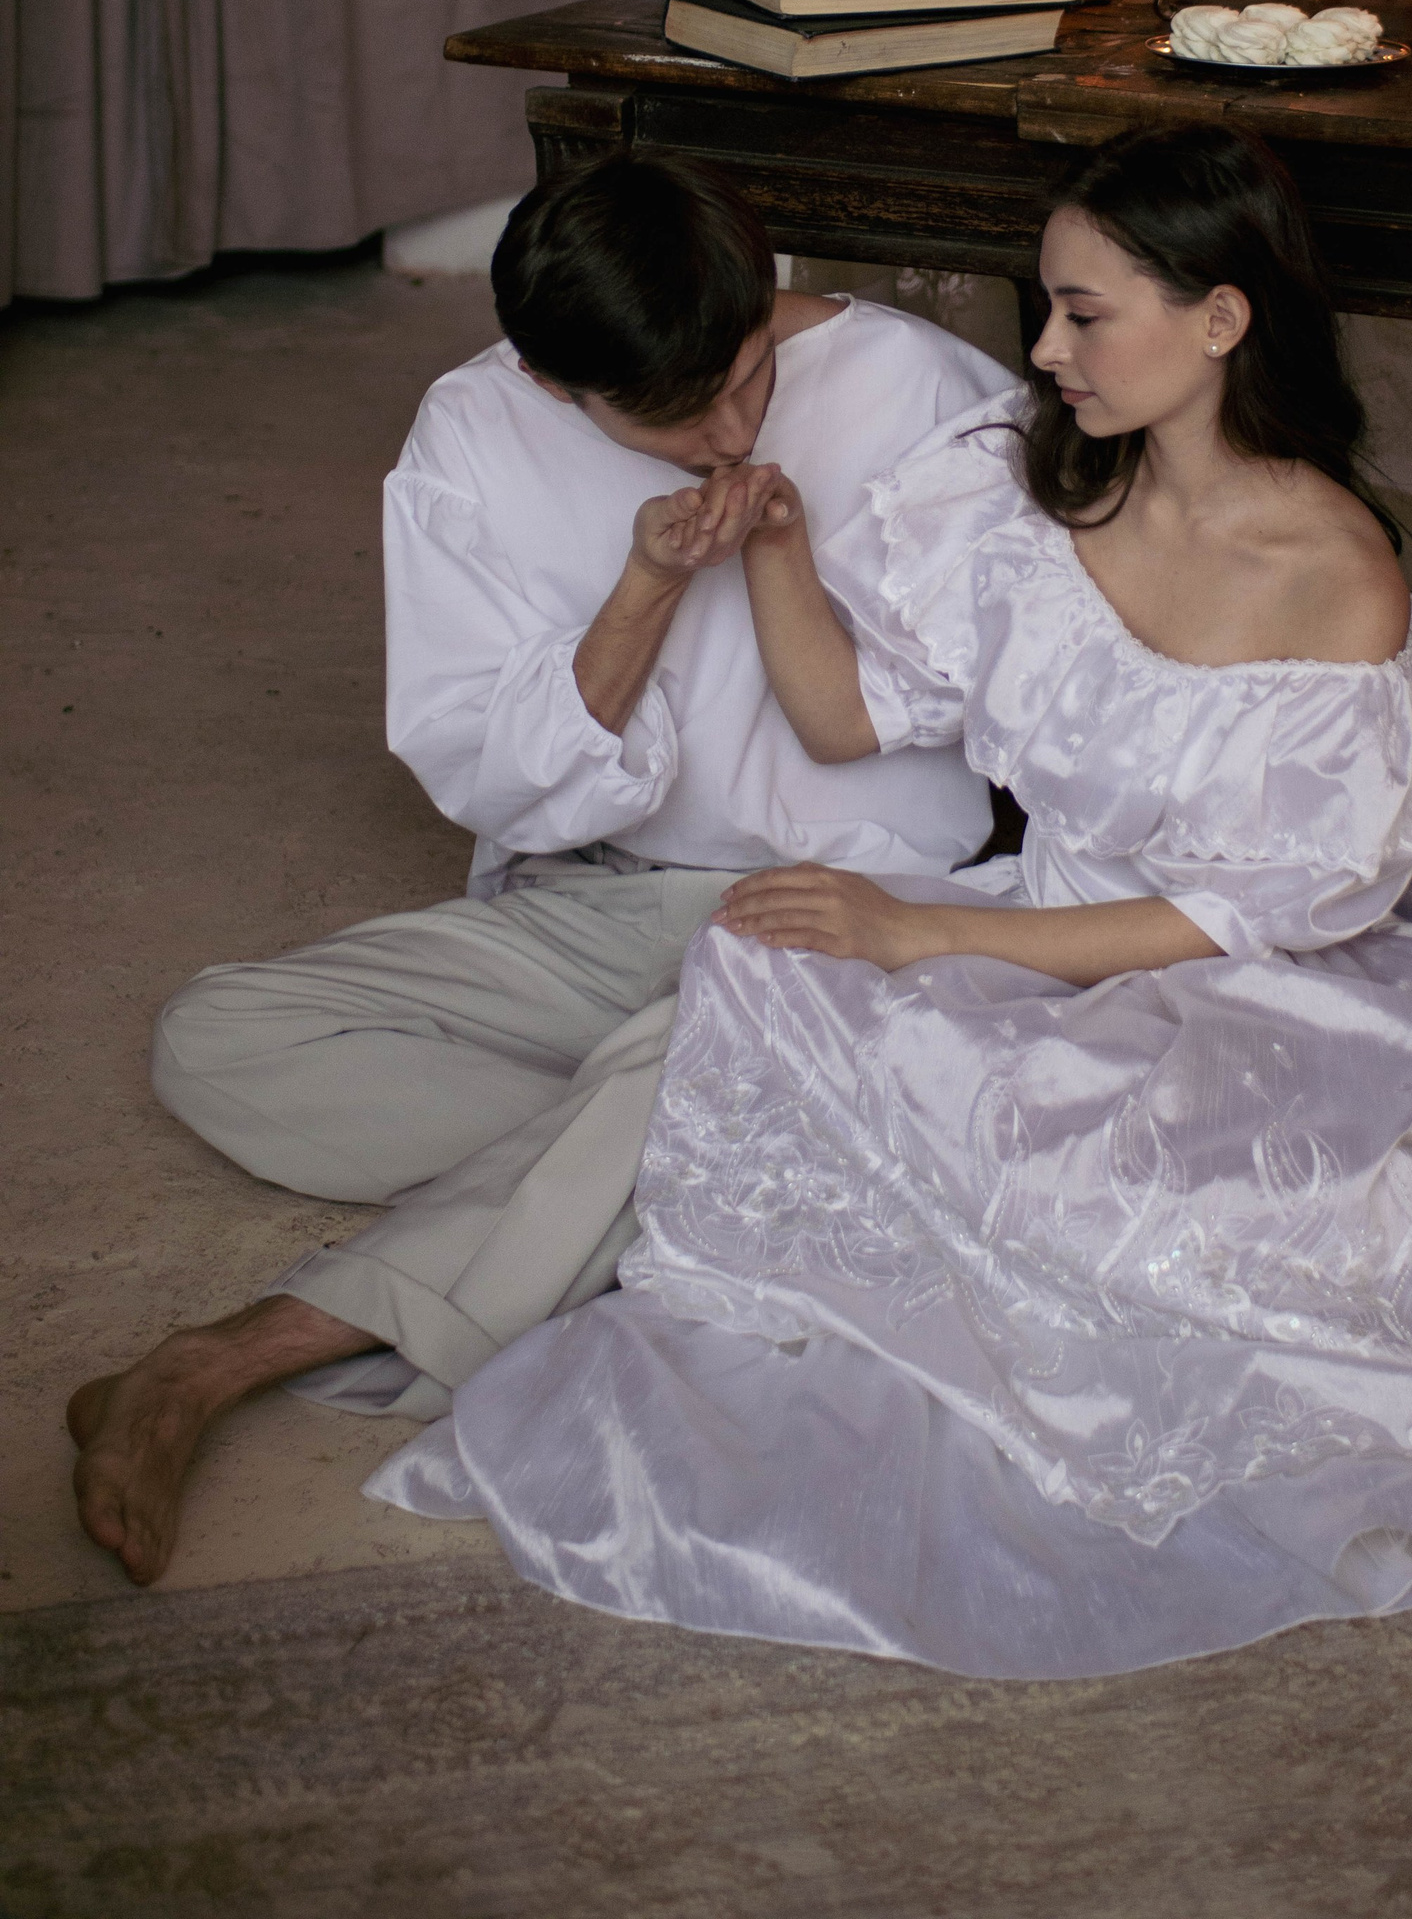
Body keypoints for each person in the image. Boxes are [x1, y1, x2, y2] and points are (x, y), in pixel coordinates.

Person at [370, 121, 1412, 1679]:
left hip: (1236, 983)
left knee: (1162, 1210)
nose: (1043, 353)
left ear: (1220, 319)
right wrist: (776, 544)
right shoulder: (1038, 505)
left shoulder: (1334, 573)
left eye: (1082, 315)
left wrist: (930, 930)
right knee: (766, 972)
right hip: (1034, 926)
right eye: (1047, 309)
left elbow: (1258, 915)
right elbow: (844, 720)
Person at [68, 151, 1015, 1585]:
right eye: (675, 416)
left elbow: (1001, 711)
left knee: (724, 1045)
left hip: (849, 928)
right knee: (217, 1041)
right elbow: (487, 774)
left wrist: (780, 562)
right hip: (600, 904)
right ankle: (703, 1150)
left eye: (750, 375)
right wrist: (644, 589)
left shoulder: (927, 393)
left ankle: (228, 1355)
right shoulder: (471, 433)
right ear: (550, 382)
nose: (731, 430)